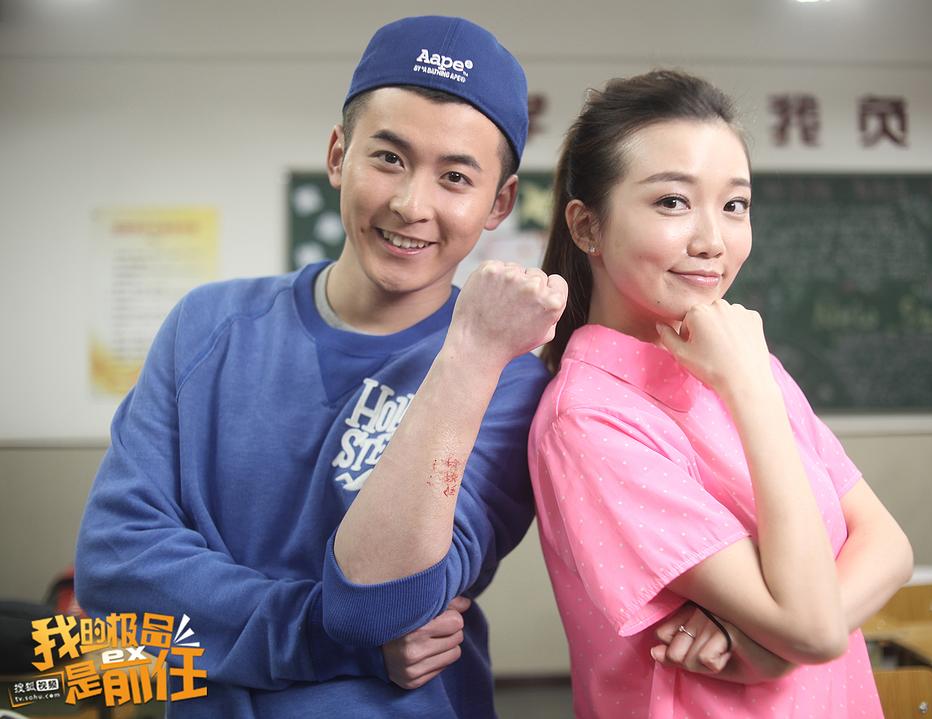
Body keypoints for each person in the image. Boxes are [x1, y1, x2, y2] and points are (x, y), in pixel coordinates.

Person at [75, 15, 566, 718]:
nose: (411, 204)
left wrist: (469, 354)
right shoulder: (207, 327)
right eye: (388, 158)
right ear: (339, 155)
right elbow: (114, 570)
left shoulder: (508, 380)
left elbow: (386, 599)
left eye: (456, 177)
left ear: (500, 203)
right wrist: (320, 631)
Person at [528, 69, 913, 718]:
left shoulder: (745, 362)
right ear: (586, 226)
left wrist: (777, 646)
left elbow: (889, 544)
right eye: (672, 202)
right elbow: (815, 628)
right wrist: (797, 637)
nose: (712, 241)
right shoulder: (588, 420)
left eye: (735, 205)